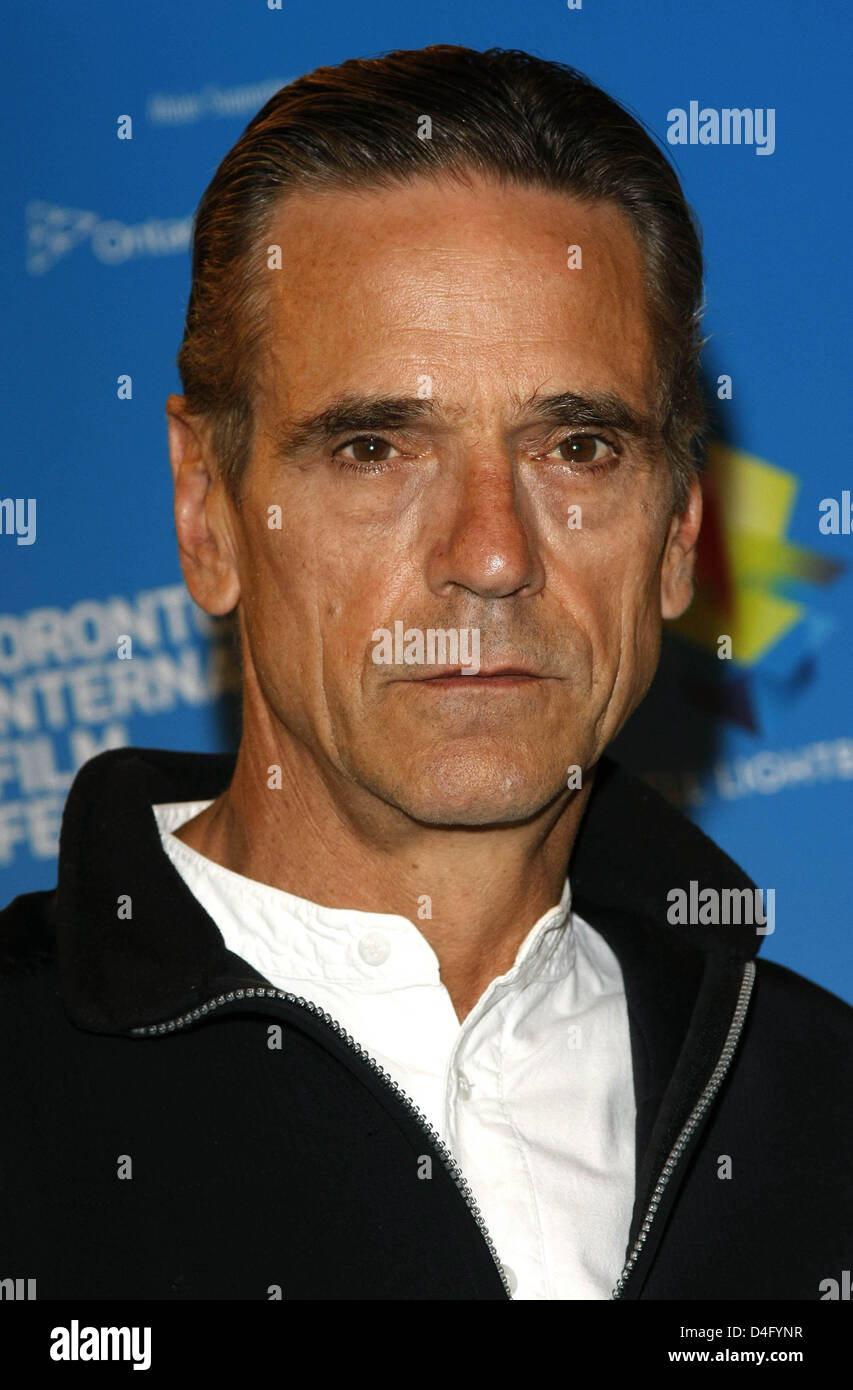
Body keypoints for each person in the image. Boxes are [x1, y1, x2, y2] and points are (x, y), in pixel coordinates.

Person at [1, 44, 850, 1302]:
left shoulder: (820, 1113)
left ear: (679, 530)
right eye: (373, 447)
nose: (491, 556)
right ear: (206, 510)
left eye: (576, 446)